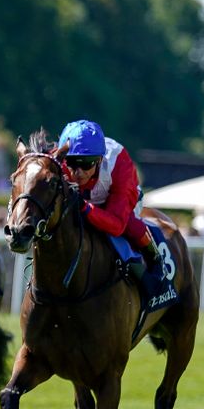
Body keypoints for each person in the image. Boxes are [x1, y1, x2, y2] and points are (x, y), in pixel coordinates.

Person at [51, 119, 163, 291]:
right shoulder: (58, 160)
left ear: (99, 160)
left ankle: (155, 260)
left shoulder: (118, 164)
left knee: (130, 225)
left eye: (86, 164)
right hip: (85, 198)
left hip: (119, 200)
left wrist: (84, 207)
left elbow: (117, 225)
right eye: (72, 163)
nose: (78, 173)